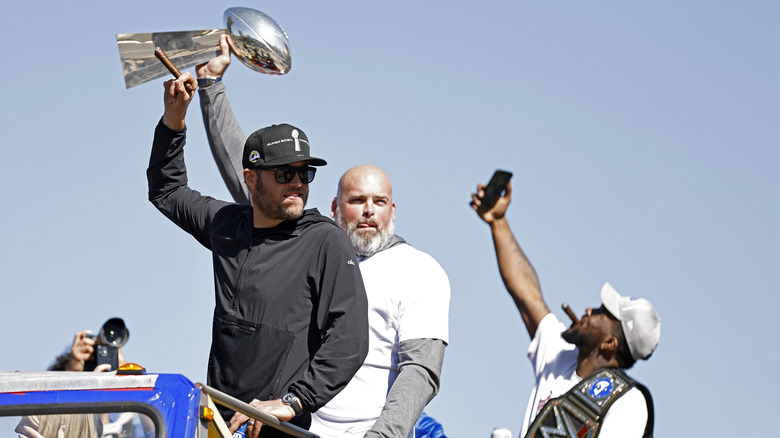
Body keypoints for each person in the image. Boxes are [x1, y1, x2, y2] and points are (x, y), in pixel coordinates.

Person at [195, 35, 450, 438]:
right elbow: (250, 176)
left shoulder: (417, 269)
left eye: (379, 201)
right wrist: (211, 88)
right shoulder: (310, 247)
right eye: (356, 200)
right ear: (333, 208)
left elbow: (420, 368)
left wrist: (384, 435)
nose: (368, 210)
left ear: (393, 210)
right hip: (296, 426)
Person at [147, 69, 369, 438]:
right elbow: (166, 191)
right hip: (217, 424)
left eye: (304, 172)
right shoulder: (227, 223)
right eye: (284, 173)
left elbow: (350, 339)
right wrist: (174, 121)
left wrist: (293, 401)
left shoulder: (325, 241)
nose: (297, 182)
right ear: (251, 178)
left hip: (279, 429)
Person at [470, 181, 660, 438]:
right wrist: (498, 221)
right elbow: (527, 295)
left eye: (602, 313)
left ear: (609, 342)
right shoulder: (561, 357)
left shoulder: (628, 402)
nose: (589, 311)